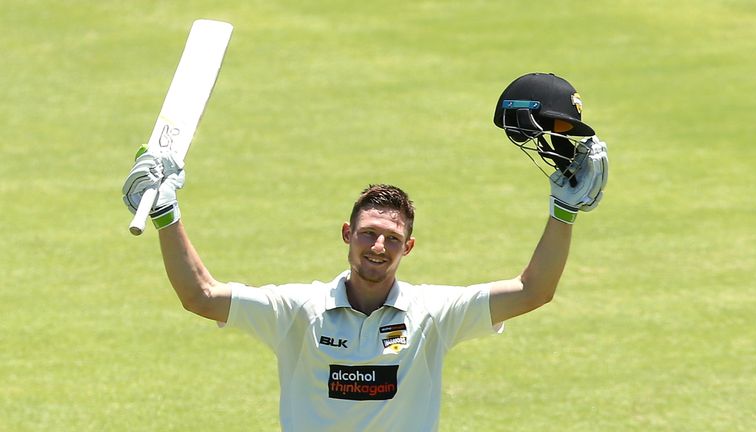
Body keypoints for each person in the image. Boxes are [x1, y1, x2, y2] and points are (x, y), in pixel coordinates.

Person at [122, 72, 608, 432]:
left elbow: (533, 290)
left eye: (392, 239)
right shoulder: (298, 311)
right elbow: (200, 295)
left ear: (408, 247)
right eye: (368, 234)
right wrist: (166, 214)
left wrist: (562, 213)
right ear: (346, 235)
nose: (378, 246)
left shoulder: (433, 314)